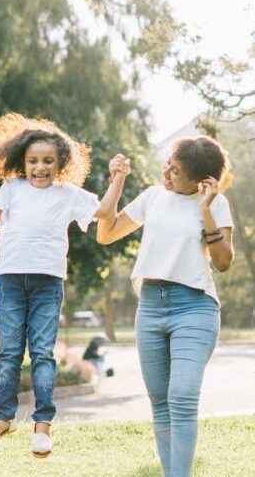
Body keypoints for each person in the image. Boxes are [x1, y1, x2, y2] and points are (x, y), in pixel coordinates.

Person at [0, 112, 130, 457]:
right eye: (33, 161)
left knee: (42, 353)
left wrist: (117, 178)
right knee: (10, 353)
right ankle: (2, 419)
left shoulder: (68, 194)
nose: (39, 168)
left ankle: (42, 426)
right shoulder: (12, 188)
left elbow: (104, 212)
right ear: (22, 162)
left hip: (48, 282)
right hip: (11, 279)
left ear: (61, 165)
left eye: (47, 161)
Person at [97, 136, 234, 477]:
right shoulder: (153, 197)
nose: (167, 172)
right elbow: (106, 233)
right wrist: (117, 181)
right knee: (160, 403)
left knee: (182, 397)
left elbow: (223, 262)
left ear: (201, 180)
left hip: (195, 307)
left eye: (177, 170)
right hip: (151, 306)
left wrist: (205, 210)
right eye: (169, 164)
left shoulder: (216, 204)